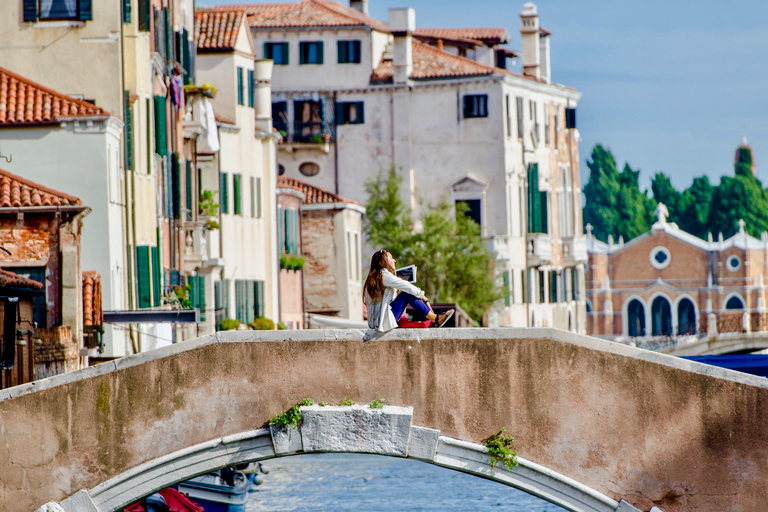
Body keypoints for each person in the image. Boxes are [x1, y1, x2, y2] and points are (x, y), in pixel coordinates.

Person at [364, 249, 454, 333]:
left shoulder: (373, 278)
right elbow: (408, 287)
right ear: (384, 261)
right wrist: (422, 296)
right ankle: (435, 318)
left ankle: (433, 319)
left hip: (376, 323)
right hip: (382, 323)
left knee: (405, 305)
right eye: (391, 258)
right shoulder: (383, 274)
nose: (394, 260)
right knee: (407, 293)